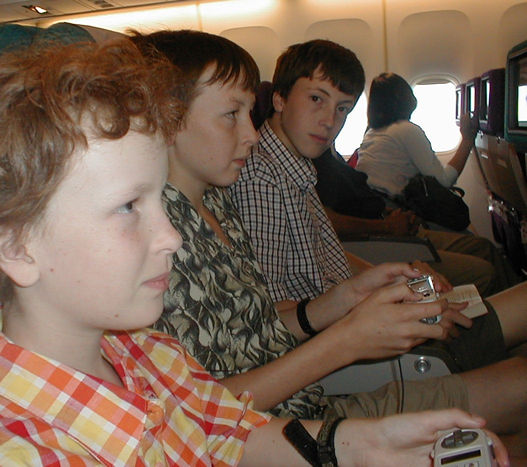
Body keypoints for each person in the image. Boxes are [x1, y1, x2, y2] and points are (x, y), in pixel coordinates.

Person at [0, 33, 502, 467]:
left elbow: (226, 431)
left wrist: (366, 445)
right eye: (130, 205)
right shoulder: (31, 449)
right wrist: (348, 338)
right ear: (16, 244)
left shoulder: (145, 350)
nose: (171, 235)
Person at [129, 30, 526, 457]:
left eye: (342, 109)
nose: (251, 134)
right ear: (168, 117)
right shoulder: (159, 241)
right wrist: (348, 338)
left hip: (305, 402)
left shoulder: (215, 202)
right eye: (231, 114)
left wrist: (348, 295)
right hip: (274, 432)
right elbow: (193, 415)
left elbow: (255, 330)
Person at [313, 145, 522, 296]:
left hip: (387, 227)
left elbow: (354, 202)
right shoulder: (312, 162)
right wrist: (386, 226)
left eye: (342, 108)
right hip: (378, 241)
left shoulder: (328, 154)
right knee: (483, 272)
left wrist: (389, 214)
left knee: (483, 247)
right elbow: (325, 222)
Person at [355, 72, 477, 199]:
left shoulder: (371, 132)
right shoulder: (406, 130)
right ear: (406, 98)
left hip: (368, 201)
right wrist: (467, 140)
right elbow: (443, 182)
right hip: (388, 205)